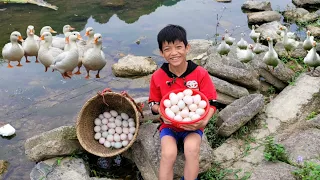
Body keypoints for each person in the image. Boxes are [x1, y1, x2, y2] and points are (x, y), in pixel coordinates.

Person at [148, 24, 217, 180]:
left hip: (193, 125)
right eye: (167, 49)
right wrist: (161, 112)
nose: (174, 53)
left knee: (192, 150)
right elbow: (152, 104)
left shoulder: (199, 73)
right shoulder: (158, 76)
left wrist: (203, 121)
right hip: (169, 125)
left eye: (179, 47)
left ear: (187, 48)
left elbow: (212, 102)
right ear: (161, 53)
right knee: (168, 154)